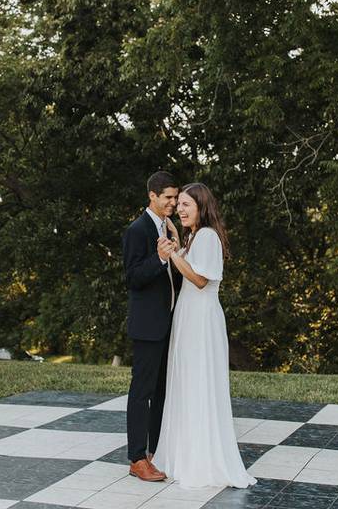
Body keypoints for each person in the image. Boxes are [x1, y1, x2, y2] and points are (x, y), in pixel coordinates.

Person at [152, 183, 257, 489]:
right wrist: (175, 240)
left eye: (187, 205)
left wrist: (172, 255)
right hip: (188, 318)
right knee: (186, 384)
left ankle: (201, 460)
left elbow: (199, 279)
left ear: (201, 207)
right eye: (179, 204)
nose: (180, 209)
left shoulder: (208, 236)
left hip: (201, 320)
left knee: (199, 384)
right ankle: (183, 454)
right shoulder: (193, 236)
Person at [122, 171, 183, 482]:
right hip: (148, 325)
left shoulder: (169, 229)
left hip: (170, 322)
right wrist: (159, 259)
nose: (173, 202)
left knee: (162, 391)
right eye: (168, 197)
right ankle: (136, 458)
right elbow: (131, 278)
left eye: (175, 197)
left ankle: (156, 451)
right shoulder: (138, 230)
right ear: (153, 196)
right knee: (142, 392)